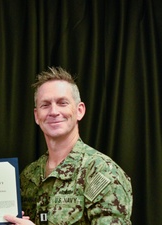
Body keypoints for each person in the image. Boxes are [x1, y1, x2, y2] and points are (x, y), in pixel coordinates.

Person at [20, 67, 133, 224]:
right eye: (45, 105)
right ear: (36, 116)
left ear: (79, 111)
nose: (53, 111)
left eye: (62, 103)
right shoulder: (28, 177)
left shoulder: (101, 172)